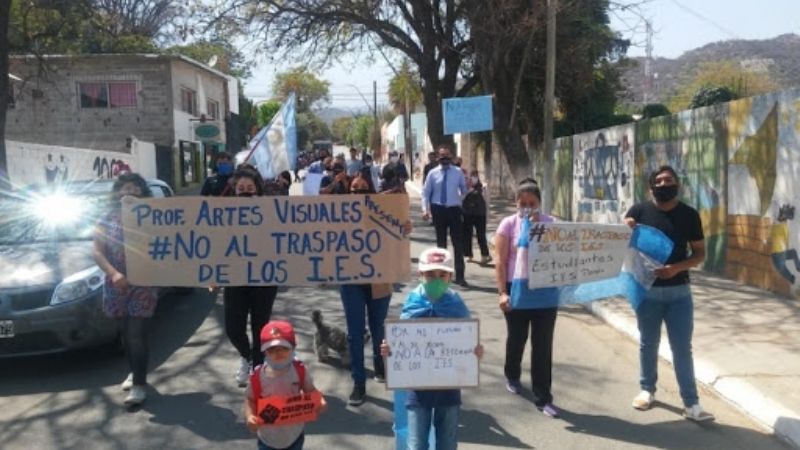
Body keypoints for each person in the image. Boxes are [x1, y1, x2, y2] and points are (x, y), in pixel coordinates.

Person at [624, 165, 715, 422]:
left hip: (679, 294)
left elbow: (699, 254)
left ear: (677, 184)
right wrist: (624, 226)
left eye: (669, 180)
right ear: (651, 186)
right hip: (647, 292)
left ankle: (691, 404)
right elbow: (618, 242)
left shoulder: (689, 215)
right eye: (660, 181)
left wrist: (676, 268)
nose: (664, 184)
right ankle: (646, 390)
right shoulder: (639, 211)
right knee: (647, 343)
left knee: (682, 348)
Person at [380, 247, 483, 450]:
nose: (436, 280)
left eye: (442, 275)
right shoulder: (413, 302)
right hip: (418, 390)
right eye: (430, 275)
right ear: (420, 275)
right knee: (417, 443)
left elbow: (467, 341)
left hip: (449, 387)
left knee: (447, 442)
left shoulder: (456, 304)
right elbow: (400, 344)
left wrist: (475, 353)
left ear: (450, 276)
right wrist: (388, 351)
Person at [494, 178, 561, 418]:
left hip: (545, 292)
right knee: (517, 338)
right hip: (516, 289)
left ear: (540, 203)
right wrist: (503, 292)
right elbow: (500, 262)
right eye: (522, 203)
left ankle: (543, 397)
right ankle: (512, 374)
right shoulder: (508, 225)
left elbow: (564, 254)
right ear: (516, 203)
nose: (527, 207)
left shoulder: (552, 224)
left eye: (532, 203)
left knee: (542, 346)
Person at [93, 173, 158, 406]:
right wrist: (114, 273)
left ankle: (139, 385)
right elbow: (97, 251)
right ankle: (134, 371)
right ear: (117, 192)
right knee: (125, 334)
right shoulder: (106, 218)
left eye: (135, 187)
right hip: (116, 285)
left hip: (144, 284)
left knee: (136, 334)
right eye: (124, 187)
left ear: (143, 192)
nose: (129, 191)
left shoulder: (154, 217)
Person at [224, 169, 280, 387]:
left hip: (264, 279)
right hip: (235, 277)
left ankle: (258, 373)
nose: (245, 193)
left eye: (250, 189)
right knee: (233, 328)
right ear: (234, 192)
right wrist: (212, 271)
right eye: (241, 190)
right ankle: (246, 357)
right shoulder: (222, 215)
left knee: (260, 328)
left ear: (258, 190)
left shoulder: (272, 212)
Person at [245, 320, 327, 450]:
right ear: (264, 352)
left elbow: (310, 391)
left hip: (295, 434)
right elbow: (250, 399)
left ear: (293, 348)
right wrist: (250, 416)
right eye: (271, 349)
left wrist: (320, 400)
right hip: (268, 438)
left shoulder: (299, 371)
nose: (278, 352)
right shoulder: (257, 377)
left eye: (284, 348)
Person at [421, 144, 468, 286]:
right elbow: (425, 193)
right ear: (438, 157)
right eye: (442, 156)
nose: (445, 159)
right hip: (438, 210)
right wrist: (425, 210)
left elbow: (464, 189)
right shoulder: (432, 173)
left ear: (451, 156)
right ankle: (441, 276)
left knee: (458, 244)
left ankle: (460, 276)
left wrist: (460, 199)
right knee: (441, 246)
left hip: (454, 210)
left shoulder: (458, 172)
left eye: (447, 156)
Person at [462, 169, 491, 264]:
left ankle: (485, 255)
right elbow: (461, 198)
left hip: (480, 214)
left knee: (481, 235)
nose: (473, 178)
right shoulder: (465, 187)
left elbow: (487, 201)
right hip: (467, 214)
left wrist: (487, 215)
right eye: (471, 176)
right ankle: (468, 254)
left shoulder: (484, 187)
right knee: (467, 234)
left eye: (475, 175)